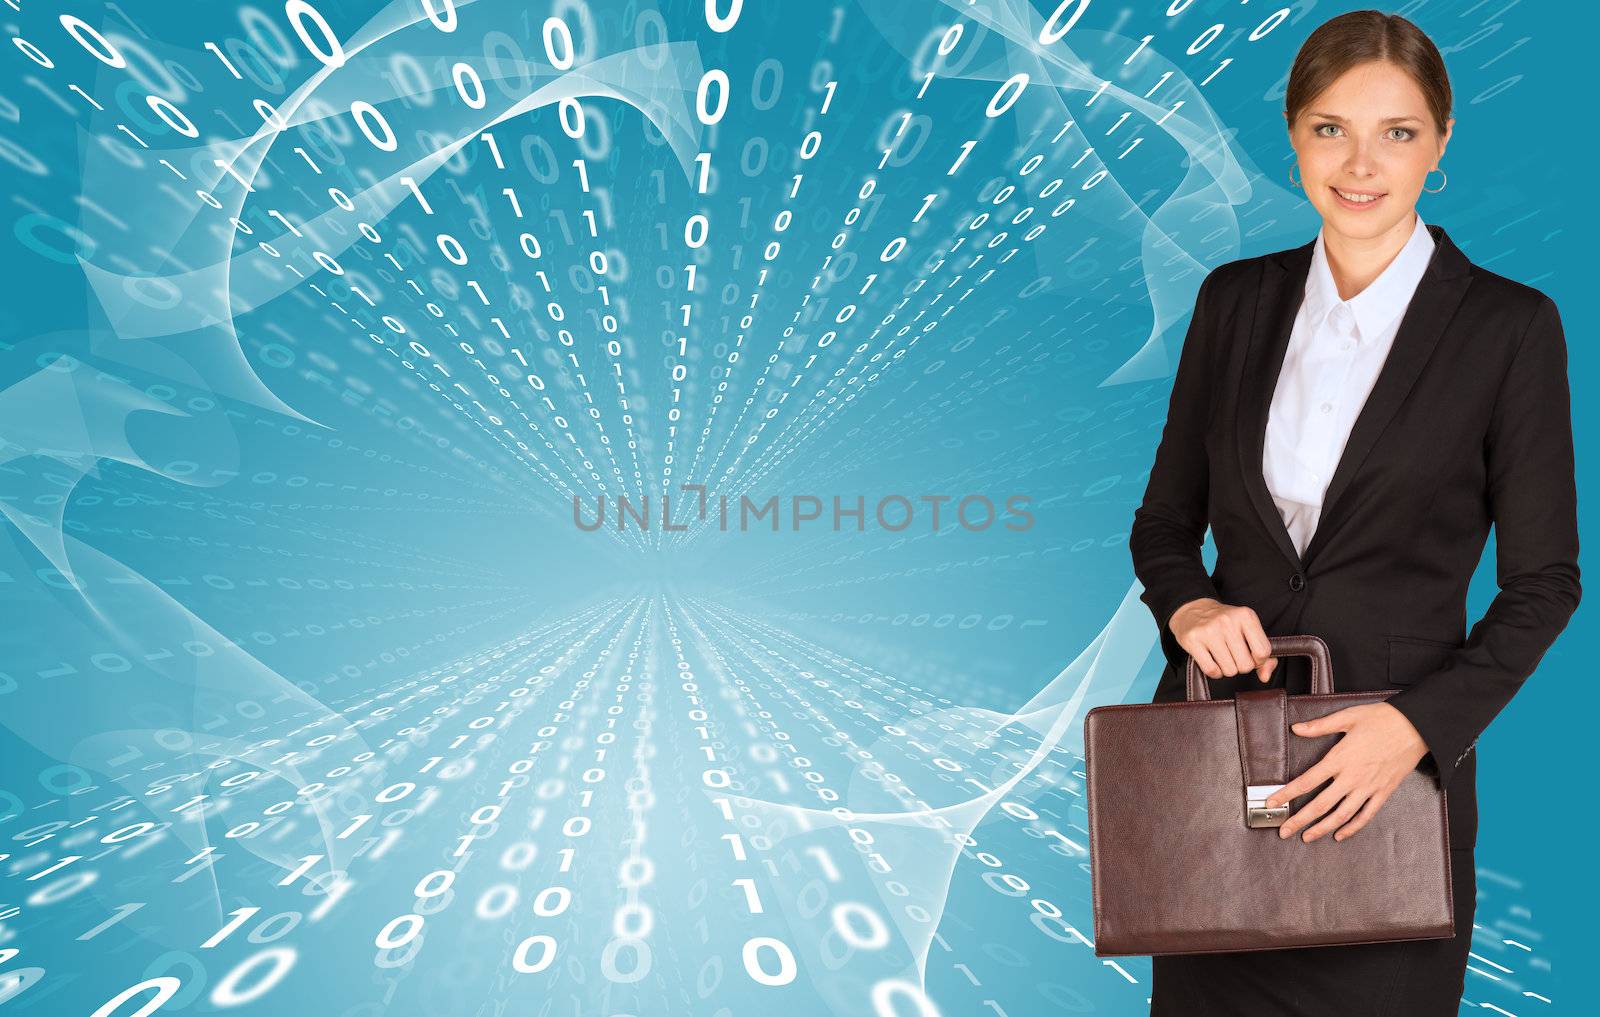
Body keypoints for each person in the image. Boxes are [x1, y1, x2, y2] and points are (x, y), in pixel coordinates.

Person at [1128, 10, 1581, 1016]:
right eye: (1330, 128)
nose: (1361, 162)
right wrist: (1189, 610)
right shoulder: (1232, 302)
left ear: (1441, 143)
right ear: (1292, 135)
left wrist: (1416, 730)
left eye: (1398, 132)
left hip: (1382, 790)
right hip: (1215, 782)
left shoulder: (1508, 327)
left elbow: (1546, 582)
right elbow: (1163, 523)